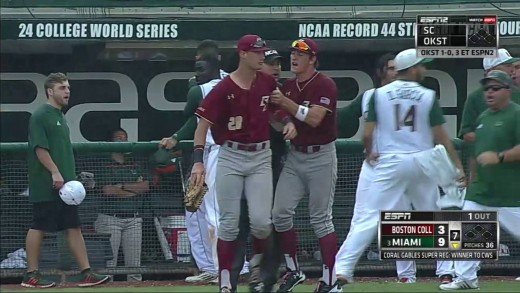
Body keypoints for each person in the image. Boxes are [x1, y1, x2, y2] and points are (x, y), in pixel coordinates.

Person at [333, 48, 465, 291]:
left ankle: (341, 270)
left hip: (391, 161)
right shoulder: (427, 95)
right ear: (412, 69)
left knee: (369, 216)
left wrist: (370, 150)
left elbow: (368, 133)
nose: (424, 69)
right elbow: (443, 138)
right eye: (421, 66)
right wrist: (457, 166)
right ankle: (448, 271)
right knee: (435, 215)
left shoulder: (379, 95)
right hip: (422, 161)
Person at [190, 34, 297, 293]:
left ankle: (260, 268)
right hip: (231, 155)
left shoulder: (266, 81)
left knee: (261, 222)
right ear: (243, 54)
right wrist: (198, 162)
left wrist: (288, 122)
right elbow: (202, 126)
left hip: (261, 155)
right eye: (257, 52)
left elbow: (276, 109)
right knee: (229, 222)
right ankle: (226, 283)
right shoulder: (224, 87)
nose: (262, 56)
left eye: (263, 52)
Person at [160, 54, 251, 284]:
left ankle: (228, 267)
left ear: (214, 67)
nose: (197, 73)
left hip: (218, 152)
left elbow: (189, 114)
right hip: (211, 153)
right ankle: (213, 266)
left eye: (201, 67)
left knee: (215, 212)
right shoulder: (232, 82)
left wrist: (175, 136)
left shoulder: (206, 87)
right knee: (195, 208)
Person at [22, 72, 110, 288]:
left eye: (68, 87)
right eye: (62, 87)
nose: (67, 91)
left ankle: (86, 272)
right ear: (50, 91)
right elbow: (40, 149)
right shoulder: (41, 115)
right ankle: (31, 275)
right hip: (47, 183)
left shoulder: (60, 116)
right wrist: (55, 172)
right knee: (39, 226)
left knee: (73, 226)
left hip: (66, 186)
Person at [269, 38, 340, 293]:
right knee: (279, 214)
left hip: (321, 156)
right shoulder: (288, 86)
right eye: (293, 53)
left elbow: (314, 118)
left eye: (301, 54)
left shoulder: (324, 84)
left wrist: (285, 105)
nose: (294, 58)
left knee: (321, 219)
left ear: (313, 59)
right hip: (296, 155)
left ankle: (330, 281)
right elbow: (276, 114)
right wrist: (285, 119)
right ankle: (293, 270)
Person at [439, 70, 520, 290]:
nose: (489, 93)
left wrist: (500, 157)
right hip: (483, 190)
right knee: (469, 227)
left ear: (507, 91)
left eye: (495, 88)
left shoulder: (516, 114)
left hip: (511, 193)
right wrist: (472, 178)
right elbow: (477, 153)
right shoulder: (483, 118)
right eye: (487, 89)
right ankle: (466, 278)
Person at [94, 128, 150, 282]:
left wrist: (122, 187)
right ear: (111, 142)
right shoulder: (104, 163)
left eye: (124, 138)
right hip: (110, 219)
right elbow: (108, 190)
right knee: (108, 268)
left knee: (134, 269)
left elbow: (145, 187)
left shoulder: (134, 163)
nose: (122, 140)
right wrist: (133, 188)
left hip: (133, 219)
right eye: (118, 137)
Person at [458, 48, 520, 183]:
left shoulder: (517, 92)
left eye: (513, 66)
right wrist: (490, 138)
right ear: (492, 69)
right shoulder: (474, 97)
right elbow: (466, 133)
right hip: (483, 165)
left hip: (513, 163)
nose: (512, 70)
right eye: (508, 66)